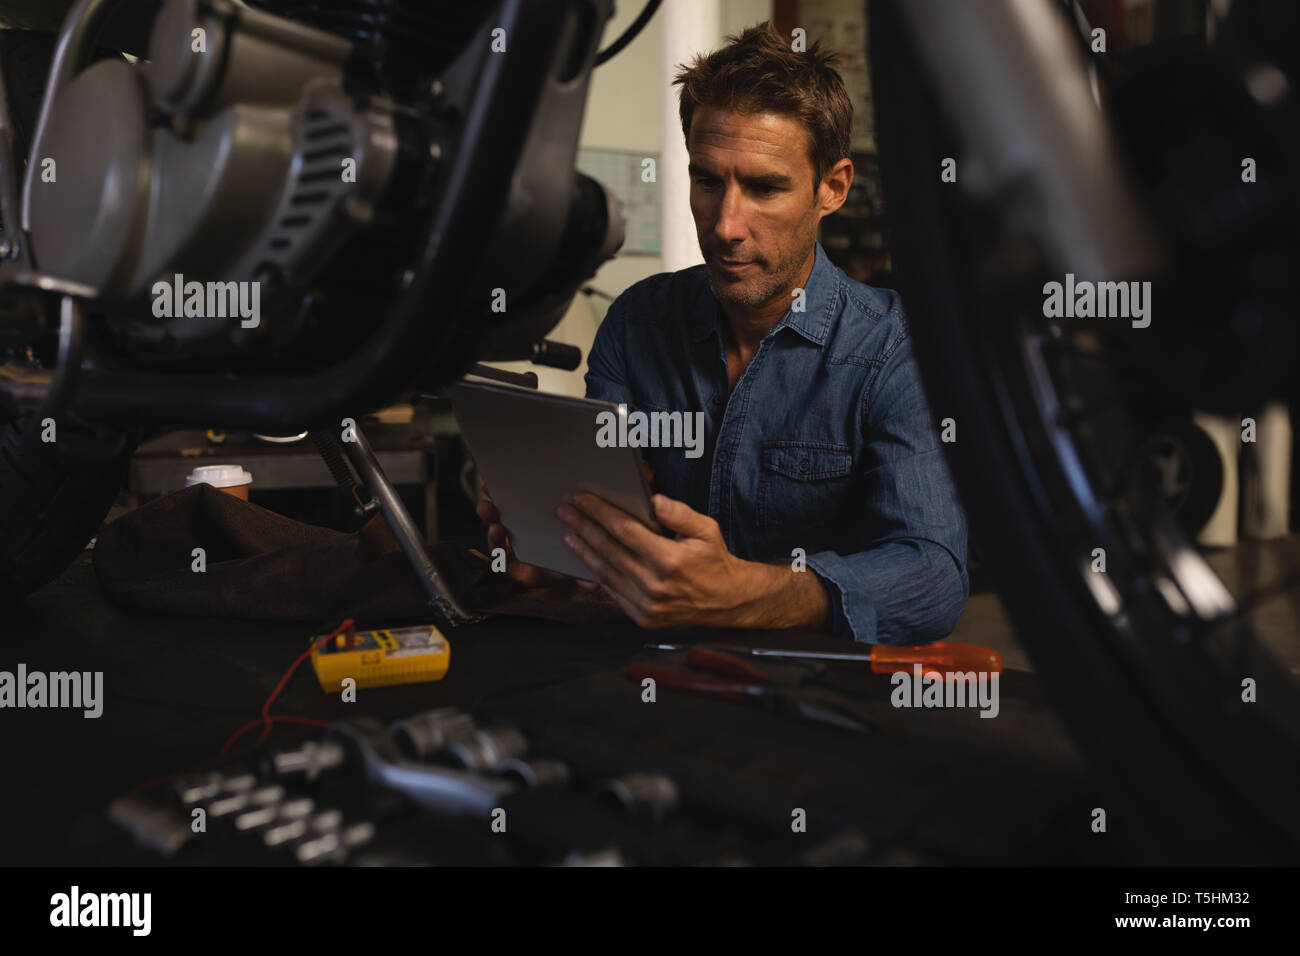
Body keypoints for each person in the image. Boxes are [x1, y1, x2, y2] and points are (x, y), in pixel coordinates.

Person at [478, 22, 967, 644]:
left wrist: (745, 593)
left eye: (764, 187)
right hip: (649, 675)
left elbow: (934, 577)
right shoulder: (637, 323)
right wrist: (562, 546)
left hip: (815, 693)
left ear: (833, 188)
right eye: (708, 181)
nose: (726, 225)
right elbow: (619, 512)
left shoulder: (897, 349)